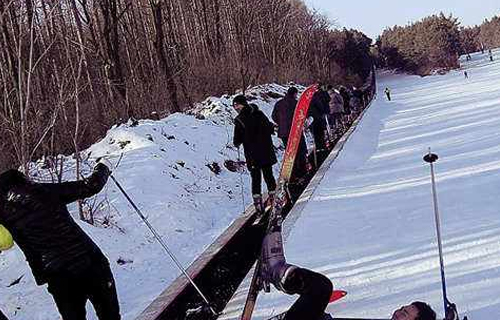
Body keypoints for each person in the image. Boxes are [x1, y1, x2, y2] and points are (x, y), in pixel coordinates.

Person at [0, 163, 121, 320]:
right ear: (22, 179)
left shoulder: (2, 213)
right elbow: (91, 185)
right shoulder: (44, 191)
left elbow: (5, 242)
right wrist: (102, 169)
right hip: (91, 262)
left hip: (58, 276)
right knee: (110, 316)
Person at [233, 94, 277, 213]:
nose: (235, 108)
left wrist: (238, 142)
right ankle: (275, 199)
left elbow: (237, 140)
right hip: (266, 151)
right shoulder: (260, 113)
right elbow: (269, 128)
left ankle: (258, 205)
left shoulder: (239, 120)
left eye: (236, 105)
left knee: (256, 179)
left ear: (242, 104)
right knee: (269, 176)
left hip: (252, 155)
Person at [271, 87, 308, 181]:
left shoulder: (278, 103)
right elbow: (302, 116)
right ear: (295, 94)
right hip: (296, 132)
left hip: (284, 133)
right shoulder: (297, 104)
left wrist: (281, 123)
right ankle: (302, 173)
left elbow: (274, 116)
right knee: (300, 151)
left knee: (290, 153)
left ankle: (291, 174)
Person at [308, 86, 331, 153]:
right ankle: (323, 146)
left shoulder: (307, 99)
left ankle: (318, 147)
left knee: (315, 134)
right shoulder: (316, 97)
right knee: (320, 133)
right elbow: (321, 106)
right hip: (318, 118)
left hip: (311, 119)